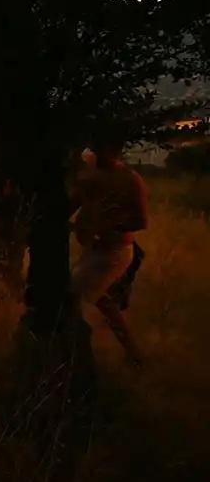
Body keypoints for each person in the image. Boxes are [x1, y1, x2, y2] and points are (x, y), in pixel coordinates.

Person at [70, 136, 147, 367]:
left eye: (100, 149)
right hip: (95, 250)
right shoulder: (91, 177)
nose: (95, 154)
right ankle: (132, 353)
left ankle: (79, 356)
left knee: (73, 296)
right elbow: (72, 205)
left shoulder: (130, 179)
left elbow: (140, 221)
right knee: (99, 300)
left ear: (113, 150)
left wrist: (104, 228)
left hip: (114, 251)